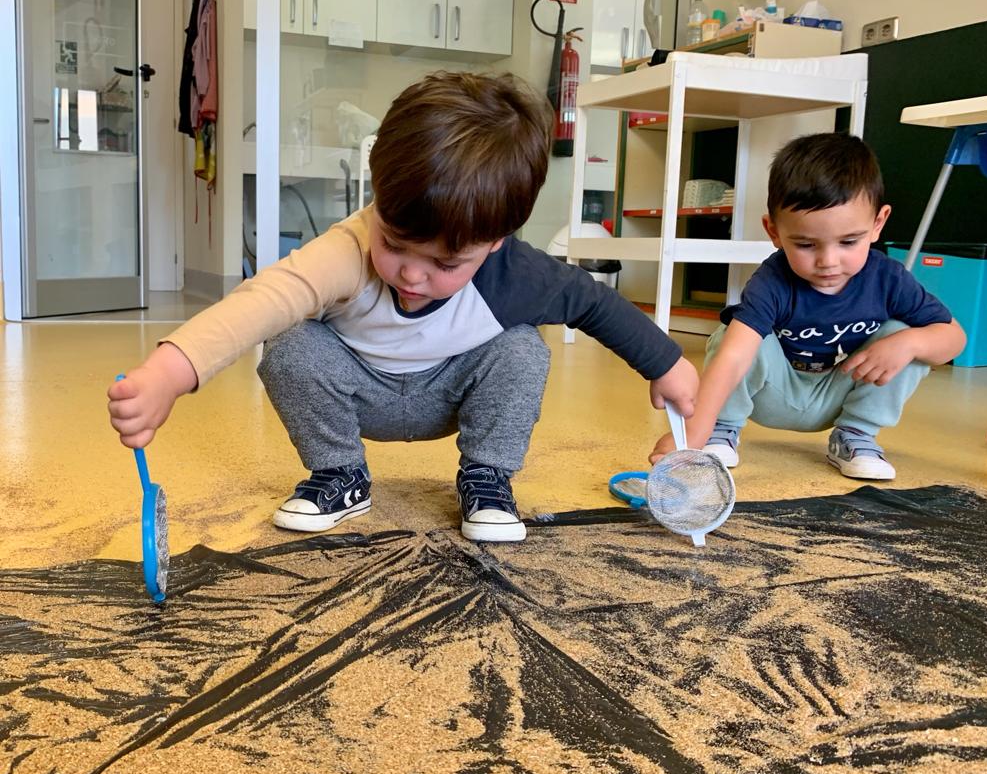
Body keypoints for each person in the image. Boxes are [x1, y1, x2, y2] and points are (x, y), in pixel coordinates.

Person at [108, 72, 698, 542]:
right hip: (359, 395)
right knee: (288, 343)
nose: (412, 274)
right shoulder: (345, 252)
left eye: (445, 263)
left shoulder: (518, 274)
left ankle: (487, 478)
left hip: (452, 395)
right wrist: (168, 372)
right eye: (393, 244)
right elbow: (260, 304)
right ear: (376, 196)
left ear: (494, 243)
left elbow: (595, 305)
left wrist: (668, 365)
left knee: (522, 348)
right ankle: (341, 474)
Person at [649, 132, 965, 479]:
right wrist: (695, 429)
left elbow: (954, 339)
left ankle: (856, 435)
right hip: (773, 395)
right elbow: (735, 356)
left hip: (840, 396)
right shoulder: (772, 281)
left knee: (908, 334)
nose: (828, 261)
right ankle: (721, 429)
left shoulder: (889, 279)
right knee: (733, 335)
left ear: (878, 223)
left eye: (848, 241)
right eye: (805, 244)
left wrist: (909, 343)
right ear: (773, 231)